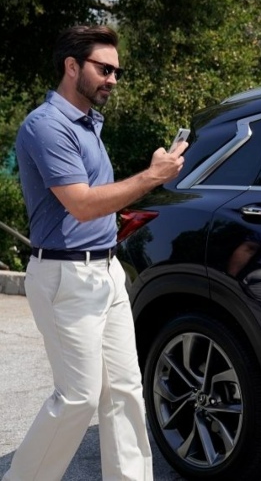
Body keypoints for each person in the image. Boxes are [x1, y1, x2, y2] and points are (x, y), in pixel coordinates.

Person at [3, 25, 188, 481]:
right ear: (72, 67)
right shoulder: (46, 126)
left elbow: (95, 203)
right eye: (104, 69)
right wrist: (151, 177)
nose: (113, 79)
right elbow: (81, 203)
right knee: (78, 398)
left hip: (105, 273)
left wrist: (118, 219)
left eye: (117, 71)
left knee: (125, 391)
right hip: (67, 280)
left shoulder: (89, 124)